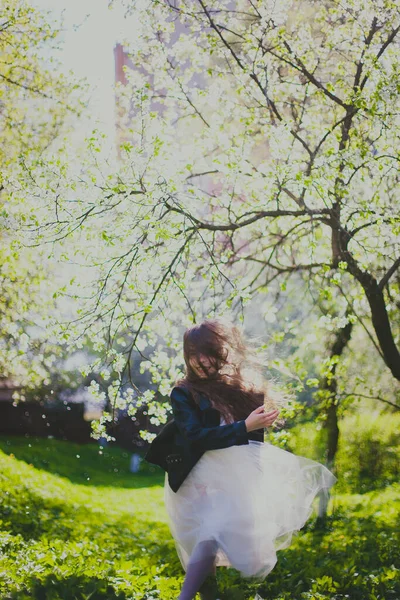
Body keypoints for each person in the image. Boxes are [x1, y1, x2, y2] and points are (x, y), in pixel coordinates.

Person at [163, 318, 336, 600]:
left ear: (221, 352)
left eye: (206, 353)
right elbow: (196, 436)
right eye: (193, 354)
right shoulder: (183, 393)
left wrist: (253, 480)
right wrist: (244, 426)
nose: (199, 361)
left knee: (212, 537)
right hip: (198, 476)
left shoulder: (241, 390)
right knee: (208, 536)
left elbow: (255, 442)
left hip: (235, 478)